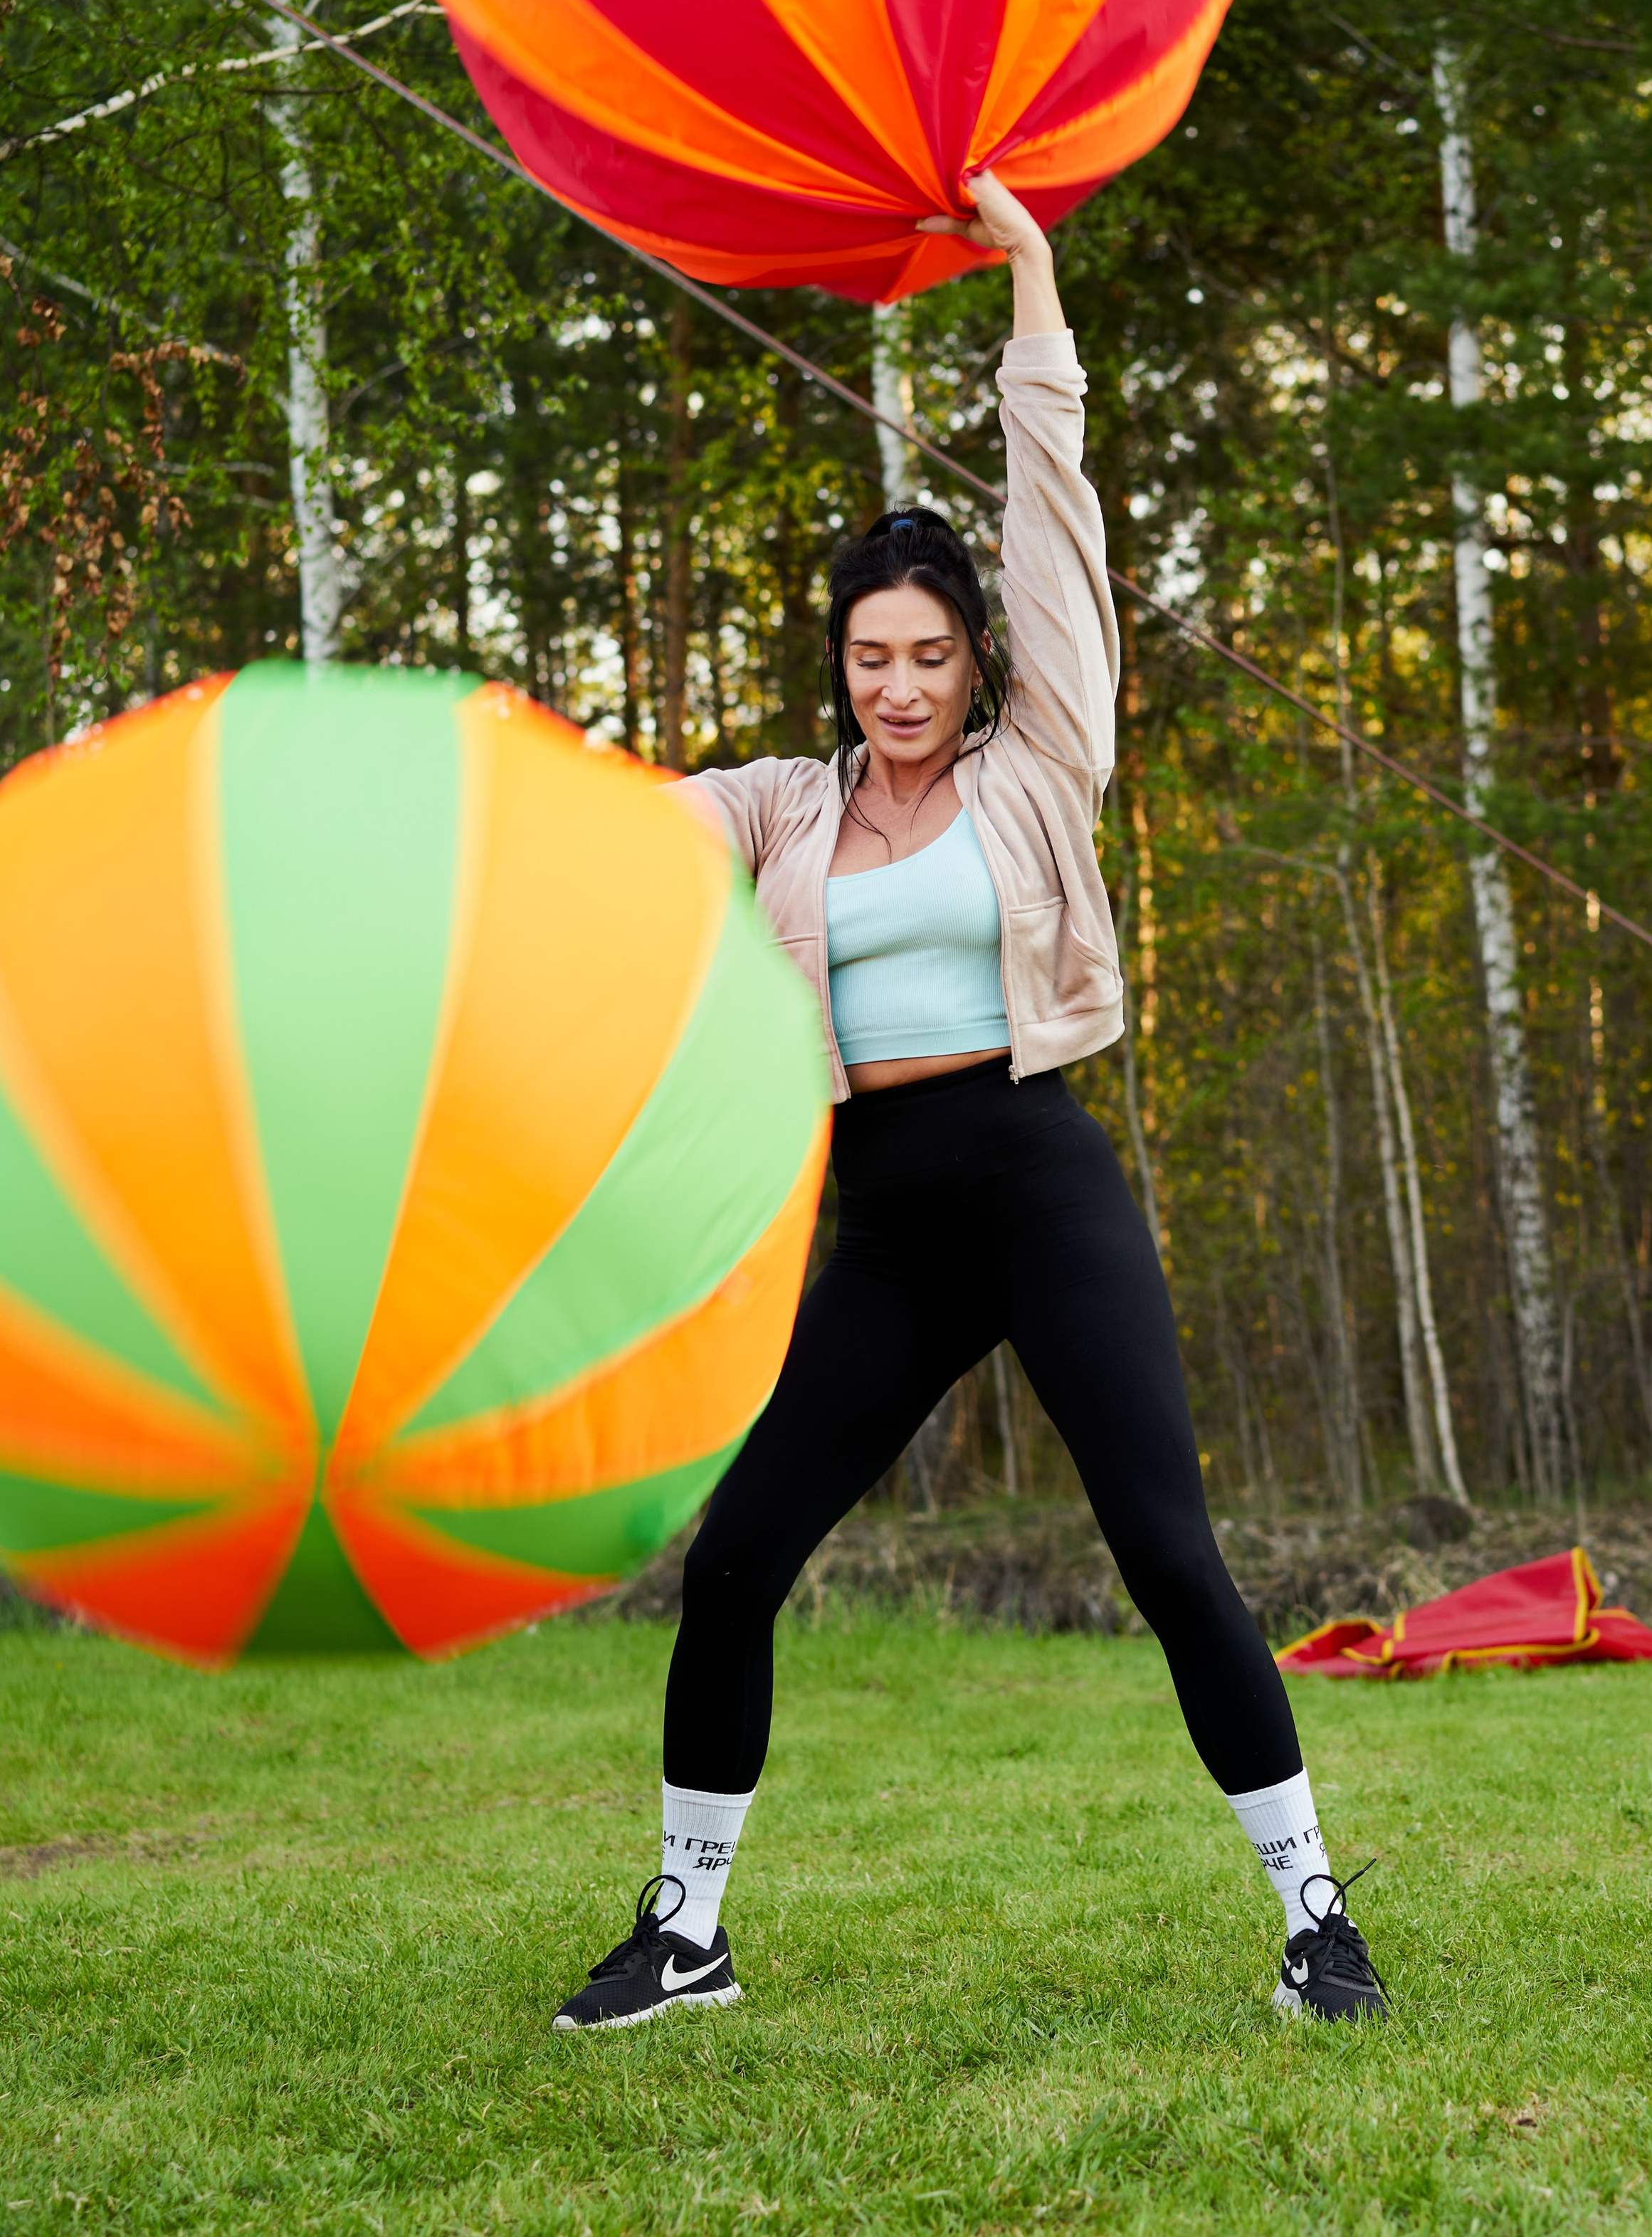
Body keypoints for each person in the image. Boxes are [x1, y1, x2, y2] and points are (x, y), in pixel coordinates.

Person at [552, 173, 1387, 2034]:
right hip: (892, 1219)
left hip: (1038, 1176)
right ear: (838, 660)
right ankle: (684, 1930)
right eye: (872, 653)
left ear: (975, 661)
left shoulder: (1039, 764)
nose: (903, 682)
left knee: (1168, 1550)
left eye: (930, 652)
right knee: (743, 1552)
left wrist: (1033, 283)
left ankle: (1316, 1913)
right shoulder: (783, 808)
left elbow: (1053, 512)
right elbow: (603, 828)